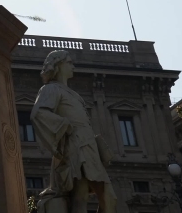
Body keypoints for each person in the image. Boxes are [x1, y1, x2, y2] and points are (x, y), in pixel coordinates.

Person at [30, 50, 117, 213]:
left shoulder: (75, 95)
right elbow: (38, 113)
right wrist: (65, 125)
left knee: (107, 199)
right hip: (76, 146)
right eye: (69, 62)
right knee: (81, 198)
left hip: (88, 145)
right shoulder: (50, 89)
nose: (73, 66)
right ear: (58, 66)